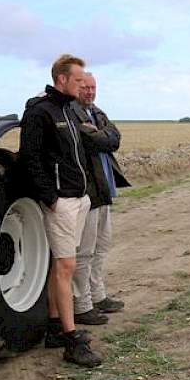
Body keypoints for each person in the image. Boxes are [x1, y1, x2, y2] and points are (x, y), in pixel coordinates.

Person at [18, 54, 101, 367]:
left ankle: (54, 326)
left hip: (78, 199)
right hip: (61, 202)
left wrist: (84, 195)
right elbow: (30, 158)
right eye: (79, 80)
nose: (83, 85)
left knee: (61, 266)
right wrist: (51, 198)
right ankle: (71, 341)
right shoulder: (40, 111)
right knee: (66, 267)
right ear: (62, 79)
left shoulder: (69, 109)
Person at [71, 72, 130, 325]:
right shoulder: (72, 113)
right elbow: (92, 141)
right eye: (85, 87)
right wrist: (101, 136)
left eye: (93, 87)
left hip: (104, 190)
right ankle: (82, 305)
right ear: (74, 87)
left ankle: (98, 296)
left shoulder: (96, 112)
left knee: (101, 247)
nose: (90, 92)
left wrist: (102, 134)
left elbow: (114, 138)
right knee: (84, 251)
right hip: (88, 192)